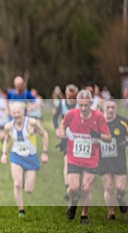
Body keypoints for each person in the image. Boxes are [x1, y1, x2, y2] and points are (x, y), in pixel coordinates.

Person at [61, 89, 111, 224]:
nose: (83, 108)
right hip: (74, 157)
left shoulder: (99, 117)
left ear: (91, 103)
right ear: (77, 103)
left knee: (86, 188)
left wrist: (98, 135)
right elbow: (62, 126)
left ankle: (84, 214)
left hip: (91, 158)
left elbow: (108, 137)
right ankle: (73, 202)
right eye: (81, 105)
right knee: (73, 188)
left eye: (86, 105)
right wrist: (63, 133)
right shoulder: (71, 114)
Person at [0, 101, 49, 218]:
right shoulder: (8, 126)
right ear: (11, 114)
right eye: (14, 113)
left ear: (23, 112)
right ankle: (21, 210)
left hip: (31, 158)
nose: (16, 115)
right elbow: (6, 140)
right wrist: (4, 153)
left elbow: (45, 134)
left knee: (28, 189)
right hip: (16, 156)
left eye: (18, 112)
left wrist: (44, 152)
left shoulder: (32, 123)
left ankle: (25, 186)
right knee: (17, 183)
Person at [97, 99, 128, 220]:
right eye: (108, 107)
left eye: (112, 108)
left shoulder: (123, 122)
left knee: (120, 188)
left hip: (119, 160)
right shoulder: (98, 122)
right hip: (103, 160)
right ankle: (111, 212)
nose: (110, 110)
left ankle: (120, 198)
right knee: (108, 186)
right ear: (103, 108)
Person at [53, 84, 79, 200]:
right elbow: (55, 117)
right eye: (69, 96)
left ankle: (77, 185)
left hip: (79, 138)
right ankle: (68, 187)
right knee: (67, 162)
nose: (71, 99)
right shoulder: (62, 104)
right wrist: (57, 129)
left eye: (73, 97)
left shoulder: (80, 105)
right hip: (66, 137)